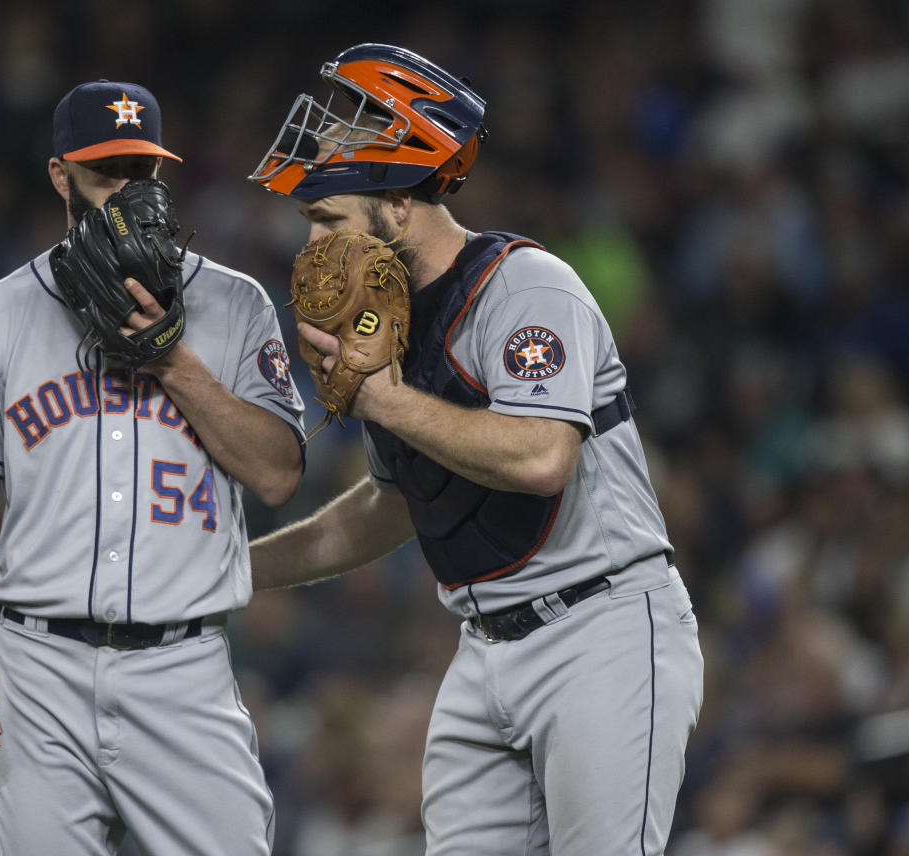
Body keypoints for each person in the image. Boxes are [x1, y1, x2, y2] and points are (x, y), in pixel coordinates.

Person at [248, 44, 704, 855]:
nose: (313, 249)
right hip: (483, 648)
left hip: (600, 628)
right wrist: (239, 570)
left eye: (328, 219)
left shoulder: (526, 286)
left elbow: (541, 460)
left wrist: (383, 398)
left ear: (396, 204)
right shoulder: (387, 318)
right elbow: (390, 505)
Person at [0, 78, 304, 855]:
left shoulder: (235, 304)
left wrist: (172, 361)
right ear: (60, 176)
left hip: (181, 668)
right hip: (39, 667)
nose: (129, 191)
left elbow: (279, 474)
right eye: (105, 172)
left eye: (142, 171)